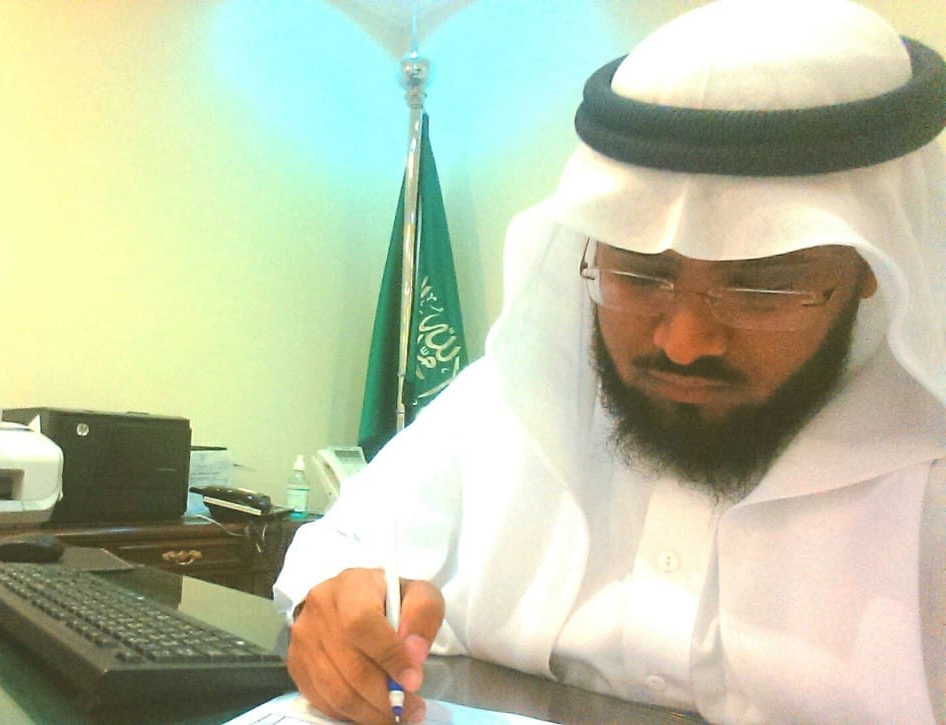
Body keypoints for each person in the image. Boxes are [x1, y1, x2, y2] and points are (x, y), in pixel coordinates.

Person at [273, 0, 946, 723]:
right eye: (641, 275)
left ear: (872, 267)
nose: (683, 342)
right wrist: (332, 608)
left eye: (759, 285)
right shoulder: (517, 394)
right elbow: (337, 552)